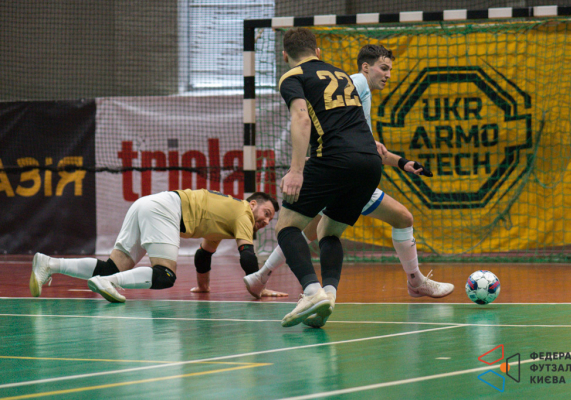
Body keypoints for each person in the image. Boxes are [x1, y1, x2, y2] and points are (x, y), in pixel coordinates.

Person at [244, 44, 454, 320]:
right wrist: (303, 165)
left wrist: (402, 162)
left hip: (345, 165)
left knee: (313, 229)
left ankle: (272, 279)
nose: (388, 75)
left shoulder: (359, 100)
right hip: (341, 167)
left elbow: (371, 146)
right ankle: (297, 285)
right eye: (384, 68)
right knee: (310, 229)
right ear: (366, 67)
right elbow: (315, 121)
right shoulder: (354, 82)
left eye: (390, 69)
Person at [273, 28, 383, 328]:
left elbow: (301, 118)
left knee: (286, 227)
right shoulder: (343, 75)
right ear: (318, 52)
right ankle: (329, 295)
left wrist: (296, 171)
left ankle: (311, 292)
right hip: (370, 162)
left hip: (334, 158)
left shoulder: (292, 76)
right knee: (329, 231)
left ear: (285, 56)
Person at [29, 189, 279, 303]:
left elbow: (203, 255)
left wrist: (203, 287)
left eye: (270, 219)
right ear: (253, 204)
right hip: (165, 209)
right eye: (266, 213)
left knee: (111, 267)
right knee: (165, 275)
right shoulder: (243, 212)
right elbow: (247, 256)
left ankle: (49, 264)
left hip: (148, 204)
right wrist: (260, 287)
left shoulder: (227, 216)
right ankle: (109, 283)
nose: (266, 221)